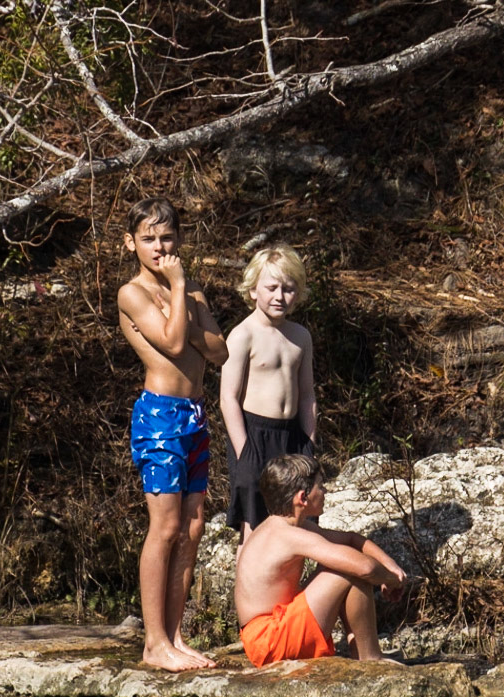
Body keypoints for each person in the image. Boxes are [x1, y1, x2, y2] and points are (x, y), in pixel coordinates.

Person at [118, 196, 228, 671]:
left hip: (195, 416)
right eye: (149, 238)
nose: (160, 247)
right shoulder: (133, 294)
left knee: (193, 525)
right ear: (131, 243)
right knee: (163, 527)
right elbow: (175, 342)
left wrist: (184, 295)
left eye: (167, 237)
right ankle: (154, 642)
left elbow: (220, 351)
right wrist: (180, 289)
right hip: (160, 416)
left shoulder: (192, 290)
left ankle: (176, 636)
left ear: (179, 239)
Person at [234, 454, 407, 667]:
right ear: (302, 498)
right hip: (269, 640)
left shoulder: (288, 526)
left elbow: (352, 539)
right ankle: (371, 658)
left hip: (266, 634)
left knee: (346, 562)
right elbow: (365, 567)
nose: (325, 492)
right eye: (320, 487)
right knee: (347, 569)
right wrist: (391, 580)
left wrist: (391, 566)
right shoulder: (288, 536)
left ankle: (362, 652)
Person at [219, 245, 317, 546]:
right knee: (255, 523)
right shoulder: (243, 335)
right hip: (254, 435)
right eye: (271, 287)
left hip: (292, 435)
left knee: (299, 516)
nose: (279, 296)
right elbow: (228, 398)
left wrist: (310, 442)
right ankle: (248, 589)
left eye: (288, 289)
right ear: (252, 290)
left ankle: (288, 590)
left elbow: (307, 396)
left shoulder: (300, 336)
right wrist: (244, 451)